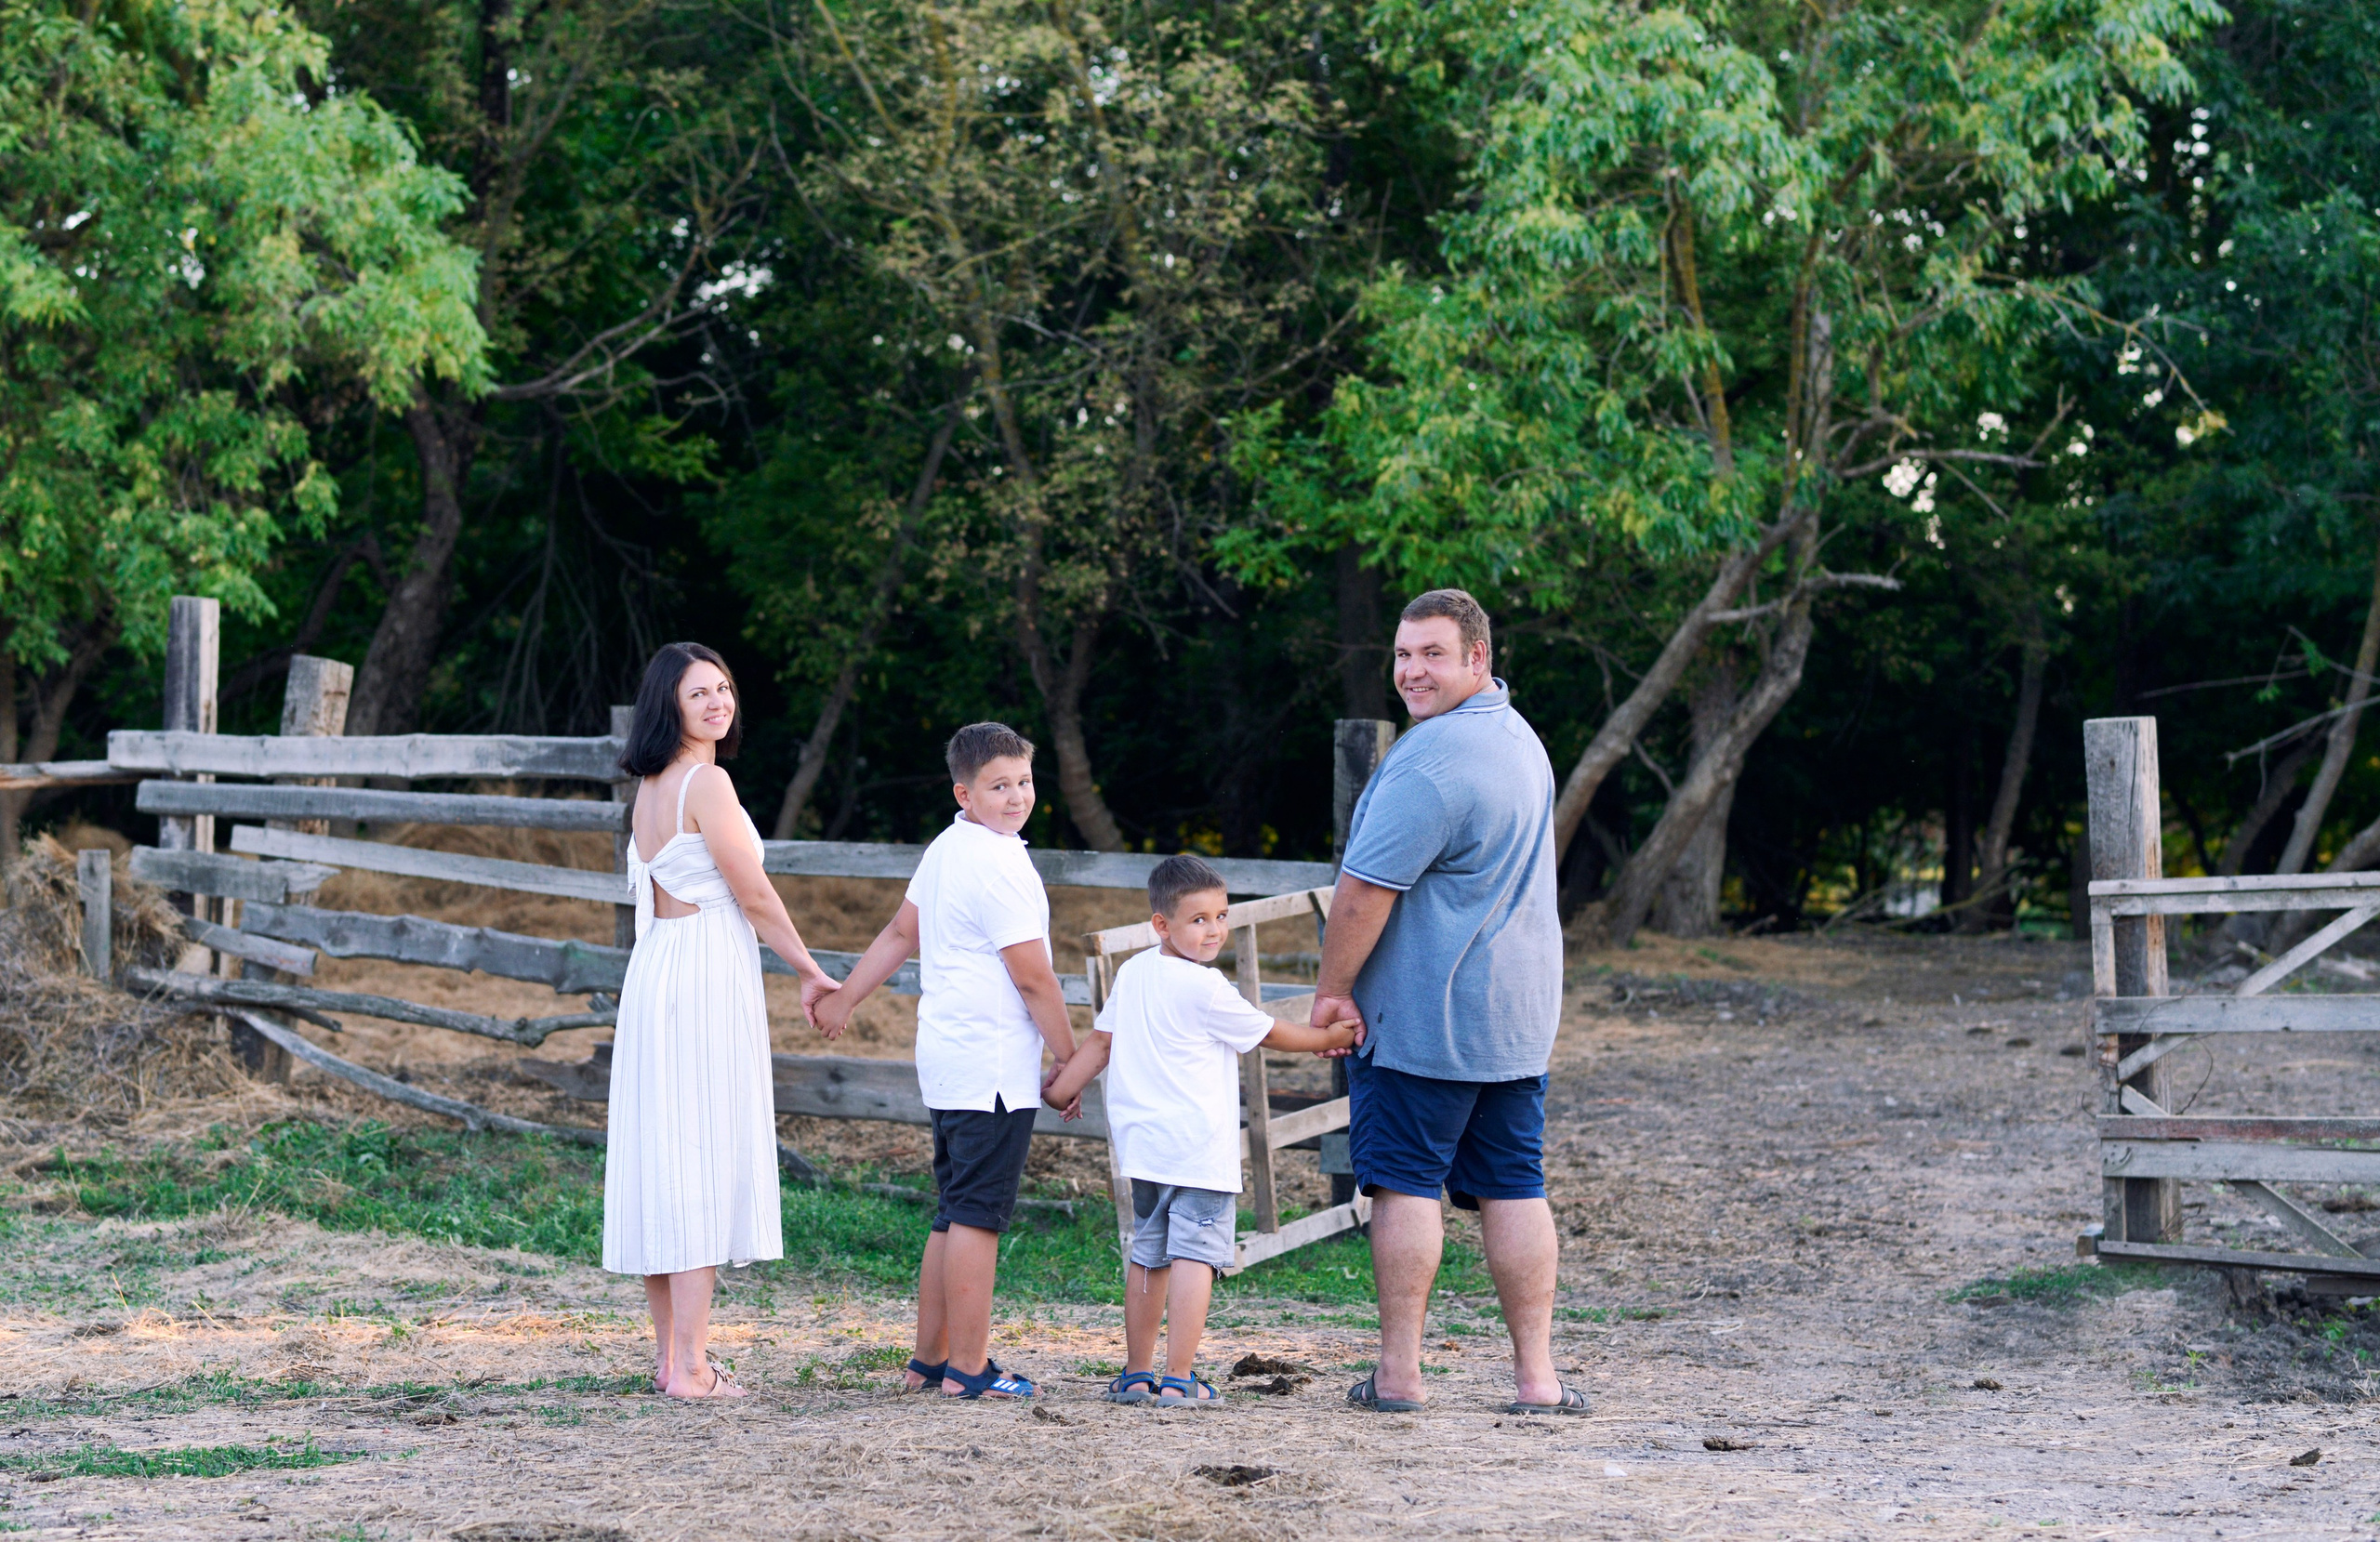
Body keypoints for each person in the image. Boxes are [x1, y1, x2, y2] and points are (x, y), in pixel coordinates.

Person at [1310, 588, 1583, 1416]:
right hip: (1515, 1019)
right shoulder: (1517, 737)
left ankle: (1398, 1375)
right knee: (1514, 1184)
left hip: (1430, 1018)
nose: (1411, 671)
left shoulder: (1428, 762)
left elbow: (1361, 895)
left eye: (1432, 653)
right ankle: (1537, 1379)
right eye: (1402, 654)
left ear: (1477, 658)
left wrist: (1331, 991)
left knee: (1403, 1185)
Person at [603, 641, 840, 1398]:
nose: (717, 702)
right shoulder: (706, 781)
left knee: (663, 1157)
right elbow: (757, 894)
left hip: (659, 968)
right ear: (667, 704)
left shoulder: (649, 786)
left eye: (724, 688)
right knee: (697, 1154)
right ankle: (693, 1366)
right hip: (702, 971)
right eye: (698, 692)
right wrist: (810, 969)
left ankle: (672, 1358)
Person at [813, 722, 1076, 1400]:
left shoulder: (949, 846)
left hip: (946, 1055)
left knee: (953, 1208)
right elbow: (1036, 979)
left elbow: (903, 930)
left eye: (1023, 781)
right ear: (965, 791)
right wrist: (1071, 1059)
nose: (1016, 796)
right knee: (978, 1215)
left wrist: (847, 998)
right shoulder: (1001, 866)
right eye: (998, 786)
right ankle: (970, 1367)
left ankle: (929, 1359)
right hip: (988, 1064)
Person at [1044, 856, 1361, 1406]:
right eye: (1198, 919)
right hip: (1198, 1149)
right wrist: (1328, 1035)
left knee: (1148, 1254)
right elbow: (1271, 1033)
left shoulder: (1134, 971)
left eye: (1221, 915)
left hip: (1143, 1148)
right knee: (1195, 1256)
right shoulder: (1207, 987)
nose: (1214, 929)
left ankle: (1137, 1373)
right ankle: (1180, 1378)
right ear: (1162, 924)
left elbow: (1100, 1042)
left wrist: (1060, 1089)